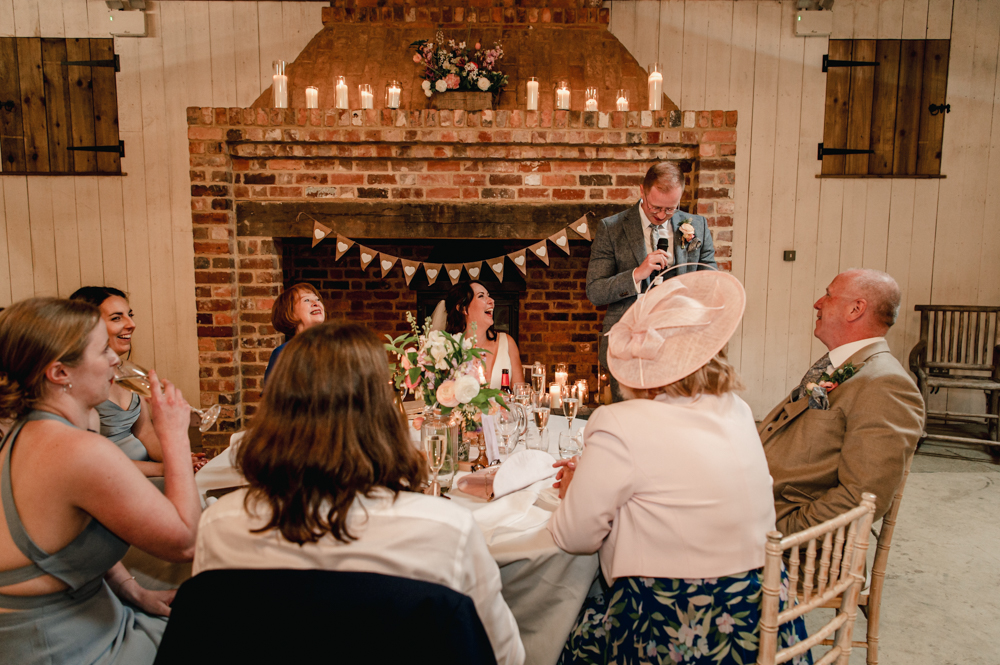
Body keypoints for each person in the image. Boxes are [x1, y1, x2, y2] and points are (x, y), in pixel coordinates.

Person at [193, 323, 524, 664]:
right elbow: (505, 655)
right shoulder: (446, 530)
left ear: (275, 409)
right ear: (383, 411)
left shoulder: (219, 524)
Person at [548, 273, 810, 665]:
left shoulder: (618, 422)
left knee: (550, 631)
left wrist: (575, 489)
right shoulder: (736, 410)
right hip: (765, 616)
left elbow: (574, 537)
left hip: (673, 623)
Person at [0, 298, 201, 664]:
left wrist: (134, 592)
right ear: (60, 373)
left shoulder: (32, 430)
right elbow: (186, 541)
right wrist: (174, 435)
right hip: (64, 645)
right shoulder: (75, 450)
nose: (114, 359)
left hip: (102, 613)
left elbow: (70, 538)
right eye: (103, 349)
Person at [758, 269, 925, 536]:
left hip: (787, 543)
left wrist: (781, 532)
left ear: (856, 309)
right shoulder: (837, 366)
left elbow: (861, 500)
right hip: (753, 510)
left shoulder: (885, 384)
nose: (817, 303)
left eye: (828, 295)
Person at [586, 161, 716, 402]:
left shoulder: (697, 226)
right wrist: (637, 273)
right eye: (655, 207)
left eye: (670, 209)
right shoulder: (611, 228)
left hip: (680, 342)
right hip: (629, 344)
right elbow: (595, 291)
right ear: (642, 192)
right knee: (628, 420)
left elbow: (710, 281)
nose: (660, 216)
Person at [69, 286, 206, 476]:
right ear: (87, 324)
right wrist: (164, 469)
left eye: (129, 315)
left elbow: (145, 432)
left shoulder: (127, 372)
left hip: (147, 467)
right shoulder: (77, 383)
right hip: (115, 476)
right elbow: (89, 461)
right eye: (117, 318)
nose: (131, 324)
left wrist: (179, 458)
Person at [444, 281, 524, 391]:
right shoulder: (447, 348)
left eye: (489, 296)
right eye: (481, 296)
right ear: (463, 308)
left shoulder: (507, 343)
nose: (492, 301)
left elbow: (520, 394)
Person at [264, 282, 326, 382]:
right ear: (290, 313)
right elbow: (272, 395)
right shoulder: (282, 354)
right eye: (306, 300)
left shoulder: (335, 347)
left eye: (317, 299)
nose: (316, 303)